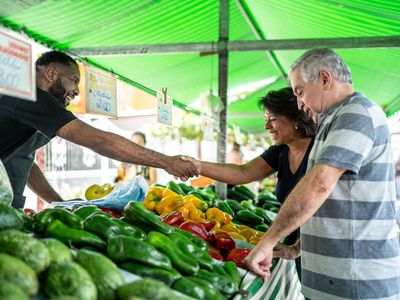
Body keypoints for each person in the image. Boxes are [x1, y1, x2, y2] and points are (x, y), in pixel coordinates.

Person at [244, 48, 400, 299]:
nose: (298, 102)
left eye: (300, 91)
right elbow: (339, 198)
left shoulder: (355, 113)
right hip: (337, 281)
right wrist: (298, 247)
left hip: (357, 281)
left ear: (325, 79)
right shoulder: (333, 120)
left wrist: (268, 241)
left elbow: (319, 185)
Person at [0, 51, 197, 209]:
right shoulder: (31, 97)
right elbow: (99, 140)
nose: (77, 91)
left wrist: (59, 202)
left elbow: (24, 161)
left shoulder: (30, 104)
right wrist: (166, 161)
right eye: (74, 80)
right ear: (51, 74)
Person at [184, 87, 316, 279]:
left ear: (296, 119)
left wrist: (297, 248)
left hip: (329, 250)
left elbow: (328, 207)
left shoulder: (320, 150)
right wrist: (197, 166)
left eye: (272, 119)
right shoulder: (281, 152)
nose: (267, 126)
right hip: (303, 249)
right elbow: (242, 172)